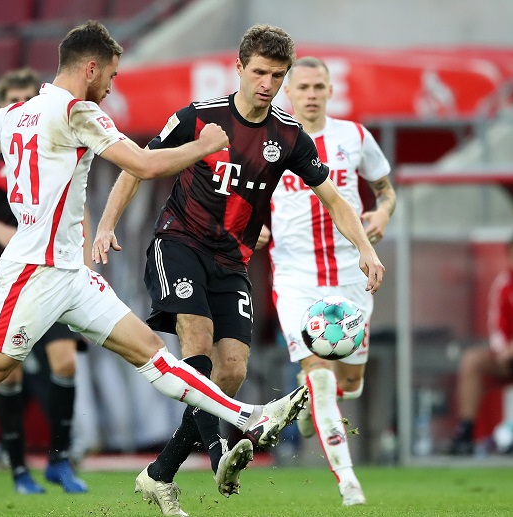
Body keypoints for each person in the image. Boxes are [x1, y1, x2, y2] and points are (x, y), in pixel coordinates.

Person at [0, 20, 309, 517]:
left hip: (71, 274)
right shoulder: (79, 112)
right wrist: (202, 146)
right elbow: (144, 166)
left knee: (150, 352)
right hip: (34, 273)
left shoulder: (16, 114)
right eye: (111, 75)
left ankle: (249, 415)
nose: (112, 86)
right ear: (90, 68)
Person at [93, 27, 385, 517]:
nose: (267, 83)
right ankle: (219, 455)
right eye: (260, 73)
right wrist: (105, 226)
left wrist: (365, 250)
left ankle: (160, 473)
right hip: (179, 243)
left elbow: (333, 197)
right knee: (198, 341)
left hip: (232, 261)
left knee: (231, 371)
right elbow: (136, 165)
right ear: (240, 68)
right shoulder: (200, 117)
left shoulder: (289, 136)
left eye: (277, 75)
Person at [257, 56, 395, 506]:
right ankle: (347, 480)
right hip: (297, 278)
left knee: (349, 382)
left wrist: (383, 213)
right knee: (317, 373)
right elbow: (245, 196)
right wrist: (251, 226)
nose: (312, 94)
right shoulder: (268, 140)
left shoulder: (353, 136)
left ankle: (311, 405)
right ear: (289, 94)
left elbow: (386, 189)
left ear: (330, 90)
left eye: (319, 86)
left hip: (351, 276)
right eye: (304, 87)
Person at [0, 67, 87, 494]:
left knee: (64, 360)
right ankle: (17, 469)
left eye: (28, 98)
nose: (22, 106)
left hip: (50, 271)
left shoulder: (52, 144)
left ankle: (60, 461)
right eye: (13, 100)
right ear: (0, 104)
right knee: (6, 374)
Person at [449, 239, 513, 455]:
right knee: (472, 360)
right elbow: (496, 325)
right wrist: (504, 350)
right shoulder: (504, 285)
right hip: (508, 359)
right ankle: (466, 432)